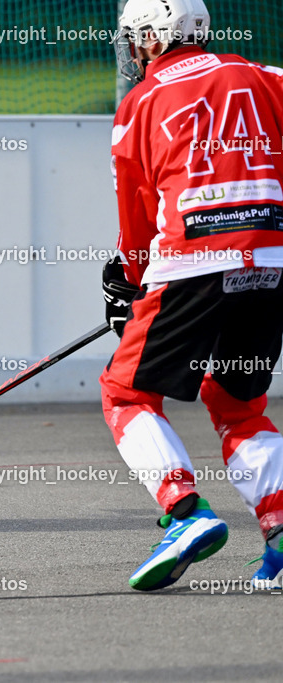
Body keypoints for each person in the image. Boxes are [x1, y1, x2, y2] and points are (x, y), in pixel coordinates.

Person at [102, 0, 283, 590]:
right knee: (237, 404)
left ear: (153, 37)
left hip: (195, 260)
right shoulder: (267, 78)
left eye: (136, 37)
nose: (133, 48)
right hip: (272, 263)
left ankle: (185, 515)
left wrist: (130, 282)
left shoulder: (140, 105)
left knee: (125, 393)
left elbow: (136, 217)